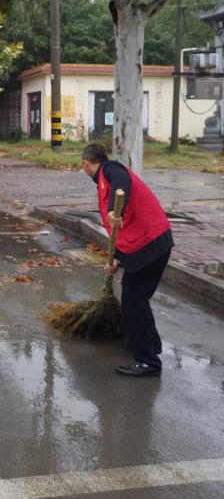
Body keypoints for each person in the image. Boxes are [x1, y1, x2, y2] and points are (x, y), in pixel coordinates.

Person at [82, 144, 174, 377]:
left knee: (134, 301)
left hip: (150, 243)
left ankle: (148, 361)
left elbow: (122, 182)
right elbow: (119, 232)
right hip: (147, 243)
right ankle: (148, 344)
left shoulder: (110, 170)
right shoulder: (103, 181)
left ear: (85, 163)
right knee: (136, 298)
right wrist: (117, 260)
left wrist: (115, 210)